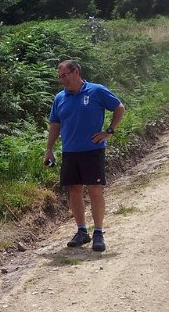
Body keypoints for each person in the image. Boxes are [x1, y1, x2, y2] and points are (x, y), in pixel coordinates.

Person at [45, 60, 126, 252]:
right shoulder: (59, 98)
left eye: (65, 75)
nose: (63, 80)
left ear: (76, 72)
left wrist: (109, 131)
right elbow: (55, 124)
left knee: (95, 189)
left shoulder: (96, 91)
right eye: (60, 77)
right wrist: (49, 148)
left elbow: (119, 107)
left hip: (92, 149)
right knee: (74, 189)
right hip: (70, 151)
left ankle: (98, 232)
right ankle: (82, 231)